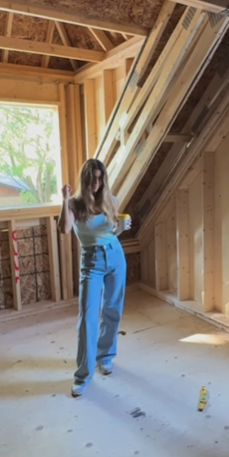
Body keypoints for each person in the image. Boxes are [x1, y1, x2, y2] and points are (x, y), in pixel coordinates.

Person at [59, 159, 131, 397]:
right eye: (93, 179)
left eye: (101, 178)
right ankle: (83, 375)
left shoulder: (111, 200)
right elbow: (64, 229)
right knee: (88, 316)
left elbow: (113, 232)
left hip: (115, 256)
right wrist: (64, 199)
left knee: (113, 309)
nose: (97, 184)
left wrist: (123, 226)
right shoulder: (75, 204)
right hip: (92, 261)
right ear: (86, 179)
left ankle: (106, 356)